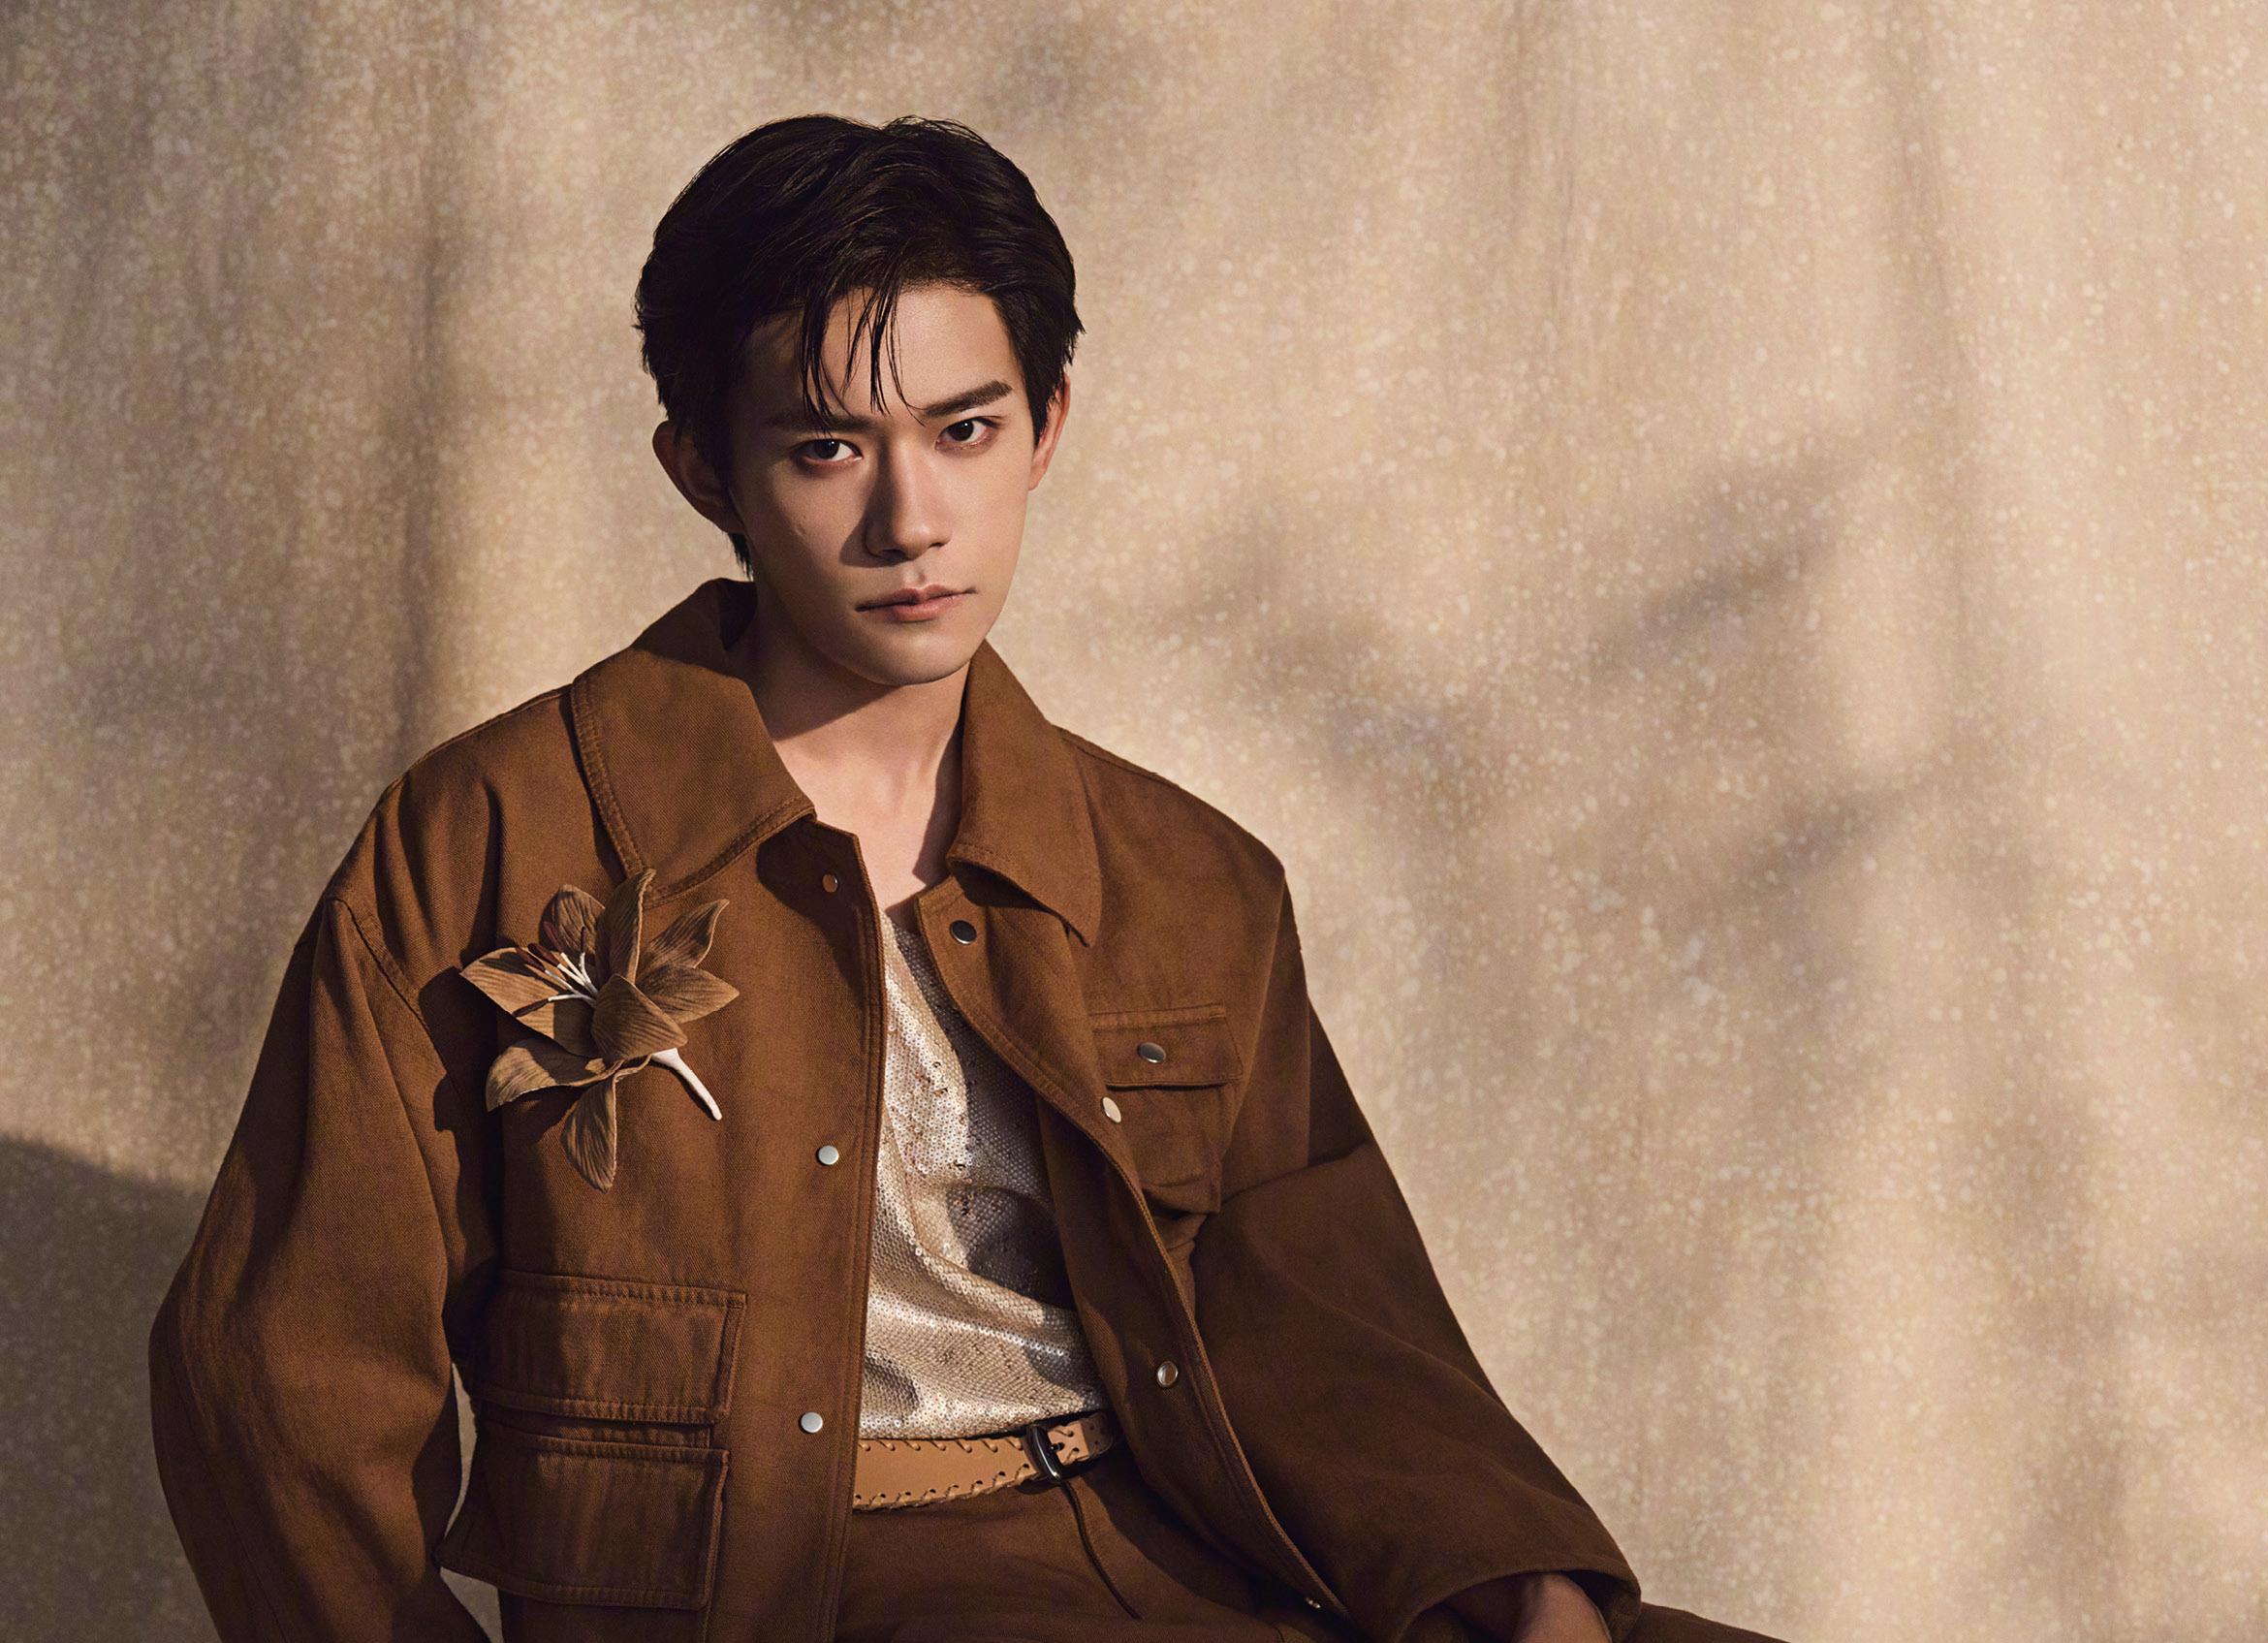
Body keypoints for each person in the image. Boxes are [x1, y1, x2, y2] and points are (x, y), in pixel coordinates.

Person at [149, 113, 1790, 1643]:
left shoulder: (1186, 879)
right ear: (703, 469)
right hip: (783, 1596)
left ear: (1044, 430)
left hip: (1173, 1565)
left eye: (964, 430)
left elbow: (1323, 1328)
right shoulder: (487, 840)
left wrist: (1518, 1593)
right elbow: (280, 1380)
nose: (911, 518)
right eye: (825, 449)